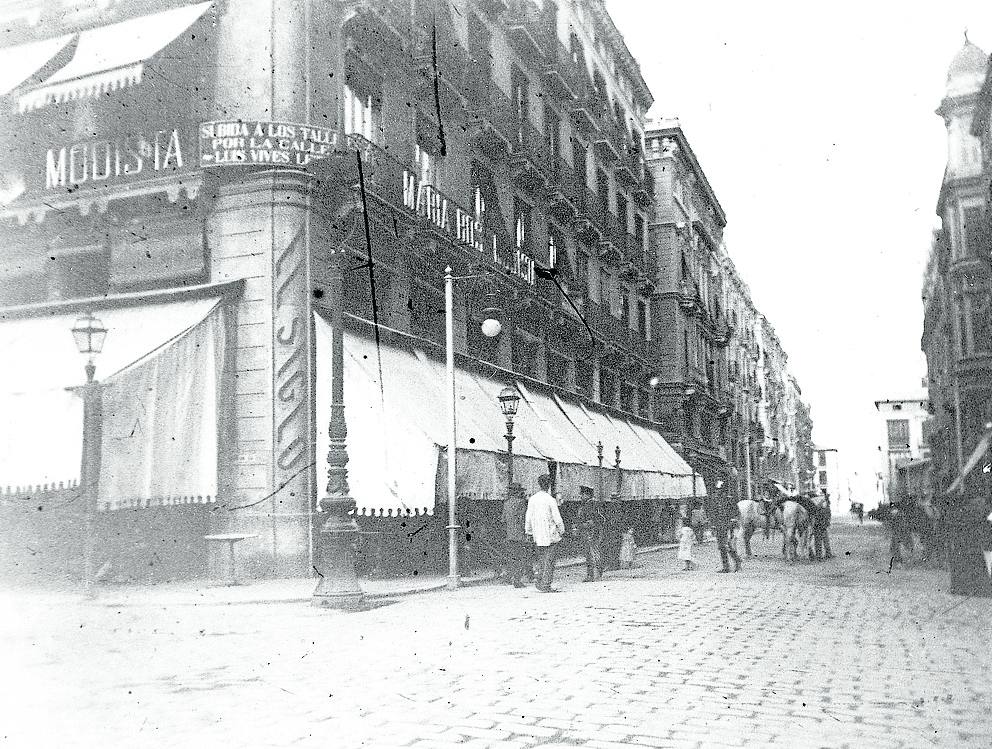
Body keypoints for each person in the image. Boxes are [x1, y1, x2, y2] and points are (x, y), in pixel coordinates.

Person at [525, 474, 565, 592]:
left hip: (538, 535)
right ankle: (546, 584)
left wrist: (529, 531)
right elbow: (557, 518)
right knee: (550, 560)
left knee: (541, 559)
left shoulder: (532, 499)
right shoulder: (550, 500)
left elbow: (528, 517)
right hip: (550, 534)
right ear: (548, 485)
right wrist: (562, 530)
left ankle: (539, 580)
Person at [502, 483, 529, 588]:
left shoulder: (506, 503)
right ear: (517, 492)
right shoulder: (521, 503)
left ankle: (509, 577)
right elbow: (522, 519)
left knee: (511, 557)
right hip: (520, 534)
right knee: (520, 557)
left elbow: (503, 520)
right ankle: (517, 580)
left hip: (509, 534)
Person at [576, 487, 605, 582]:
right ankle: (595, 574)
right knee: (592, 553)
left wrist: (586, 524)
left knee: (592, 553)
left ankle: (593, 575)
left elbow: (600, 519)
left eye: (582, 494)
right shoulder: (589, 504)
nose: (581, 496)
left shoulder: (592, 504)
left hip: (592, 533)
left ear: (587, 495)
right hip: (589, 532)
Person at [711, 486, 741, 573]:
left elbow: (737, 513)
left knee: (727, 545)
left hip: (728, 526)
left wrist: (733, 520)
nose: (718, 493)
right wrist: (713, 526)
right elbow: (714, 514)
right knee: (721, 547)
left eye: (719, 491)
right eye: (717, 491)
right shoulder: (715, 501)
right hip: (719, 527)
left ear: (724, 492)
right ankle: (726, 567)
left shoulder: (730, 500)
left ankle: (737, 561)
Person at [812, 490, 834, 560]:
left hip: (822, 524)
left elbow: (827, 513)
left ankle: (827, 554)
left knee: (825, 540)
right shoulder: (817, 504)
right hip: (818, 525)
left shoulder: (825, 503)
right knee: (819, 540)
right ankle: (819, 556)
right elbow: (817, 512)